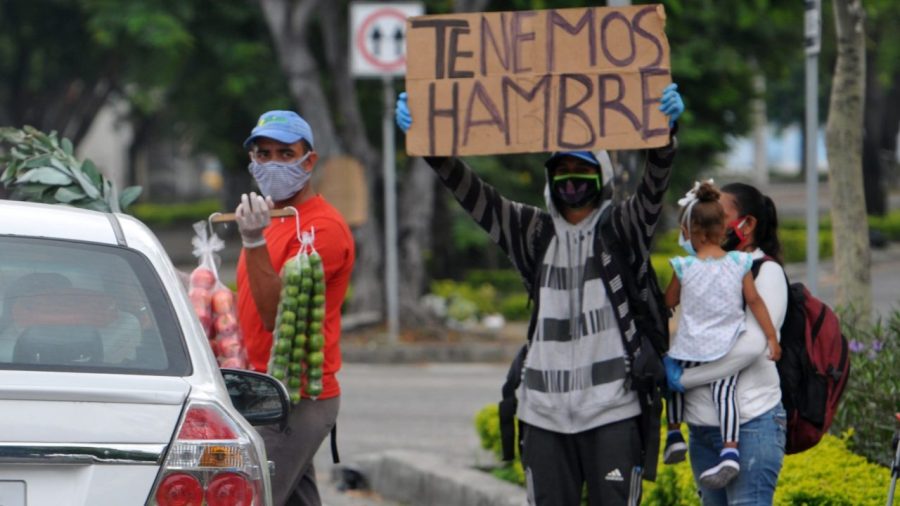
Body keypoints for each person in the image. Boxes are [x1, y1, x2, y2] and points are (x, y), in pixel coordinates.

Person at [396, 84, 684, 505]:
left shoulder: (623, 228)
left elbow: (653, 188)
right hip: (542, 413)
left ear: (600, 176)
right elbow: (472, 194)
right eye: (562, 170)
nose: (571, 180)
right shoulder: (531, 231)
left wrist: (664, 137)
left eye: (582, 170)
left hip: (614, 411)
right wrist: (431, 146)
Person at [234, 110, 355, 506]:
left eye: (286, 153)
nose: (272, 163)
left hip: (297, 396)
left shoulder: (324, 229)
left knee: (249, 496)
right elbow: (251, 296)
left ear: (309, 160)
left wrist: (252, 242)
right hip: (264, 388)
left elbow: (273, 315)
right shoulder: (270, 219)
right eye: (263, 154)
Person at [665, 182, 788, 505]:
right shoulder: (699, 270)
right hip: (704, 429)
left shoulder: (765, 271)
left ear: (745, 225)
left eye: (718, 215)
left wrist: (681, 379)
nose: (706, 221)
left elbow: (749, 348)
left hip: (751, 425)